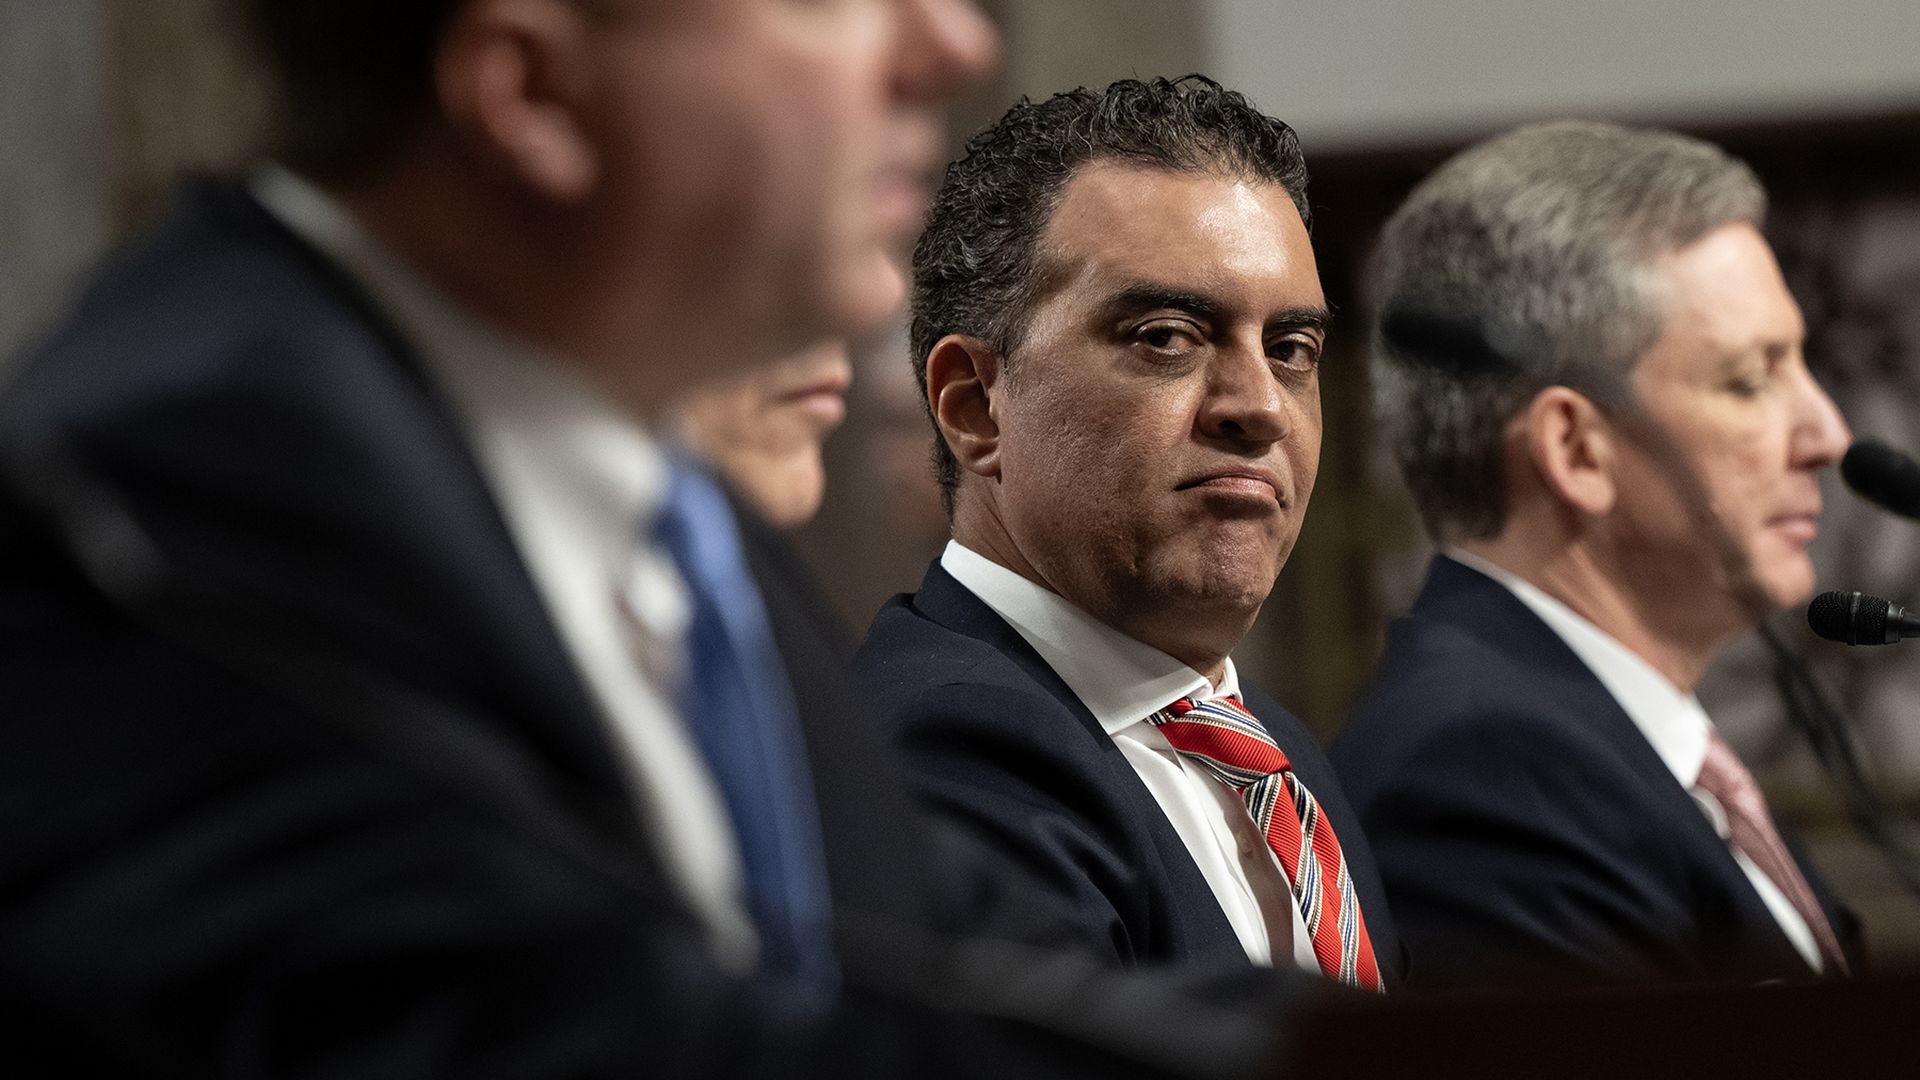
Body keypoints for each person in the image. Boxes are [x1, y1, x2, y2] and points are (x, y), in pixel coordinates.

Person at [0, 2, 1305, 1074]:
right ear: (531, 94)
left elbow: (960, 958)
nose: (949, 45)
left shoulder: (660, 507)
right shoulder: (198, 496)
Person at [856, 76, 1401, 990]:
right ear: (975, 407)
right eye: (1167, 336)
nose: (1260, 407)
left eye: (1291, 350)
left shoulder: (1283, 757)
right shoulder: (948, 740)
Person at [1331, 120, 1862, 989]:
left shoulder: (1616, 746)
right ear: (1577, 450)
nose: (1827, 435)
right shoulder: (1482, 778)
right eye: (1751, 378)